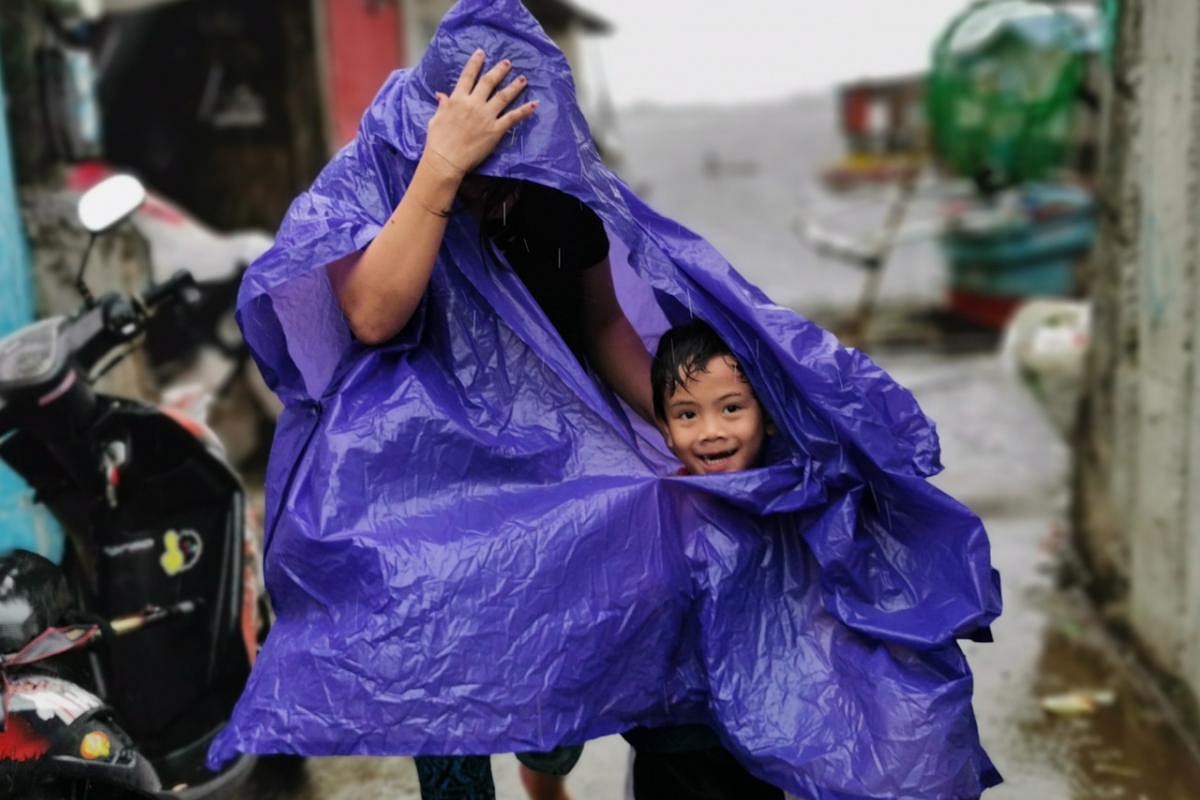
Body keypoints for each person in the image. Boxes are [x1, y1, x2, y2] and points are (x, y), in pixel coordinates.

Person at [326, 48, 647, 800]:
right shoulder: (393, 187)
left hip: (556, 477)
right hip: (428, 497)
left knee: (557, 695)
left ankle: (546, 769)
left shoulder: (560, 202)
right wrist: (441, 169)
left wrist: (675, 423)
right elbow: (373, 314)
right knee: (446, 727)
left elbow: (603, 325)